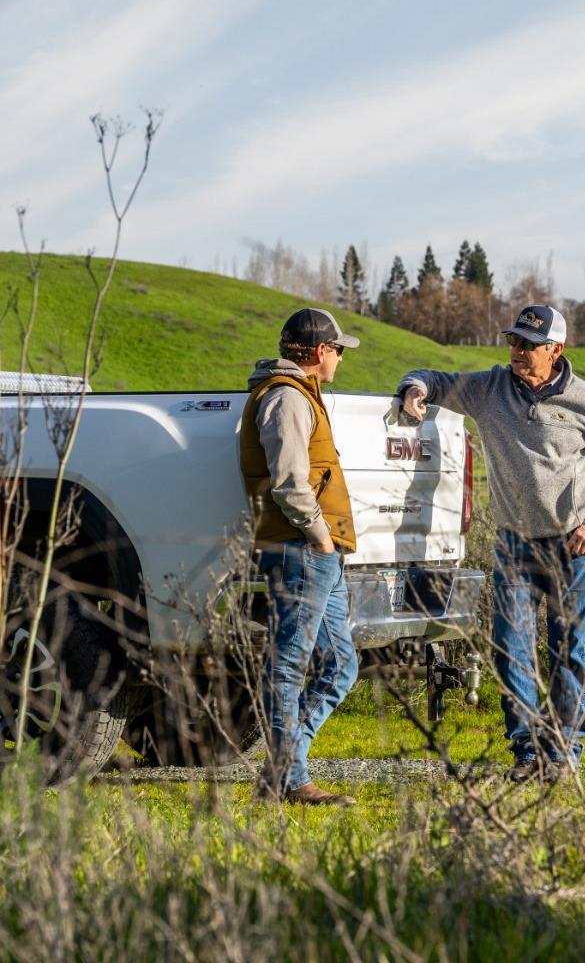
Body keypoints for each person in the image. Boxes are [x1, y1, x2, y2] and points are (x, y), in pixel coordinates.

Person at [396, 305, 585, 780]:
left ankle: (564, 753)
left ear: (556, 350)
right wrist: (415, 388)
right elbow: (433, 379)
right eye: (514, 341)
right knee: (510, 649)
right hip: (514, 545)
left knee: (568, 650)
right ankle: (527, 752)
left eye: (530, 345)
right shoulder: (490, 389)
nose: (518, 351)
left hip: (574, 545)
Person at [238, 307, 361, 806]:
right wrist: (320, 535)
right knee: (288, 666)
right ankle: (289, 780)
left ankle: (282, 769)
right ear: (319, 352)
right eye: (337, 350)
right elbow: (289, 481)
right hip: (301, 548)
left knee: (341, 666)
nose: (340, 359)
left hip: (315, 551)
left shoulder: (298, 394)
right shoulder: (287, 397)